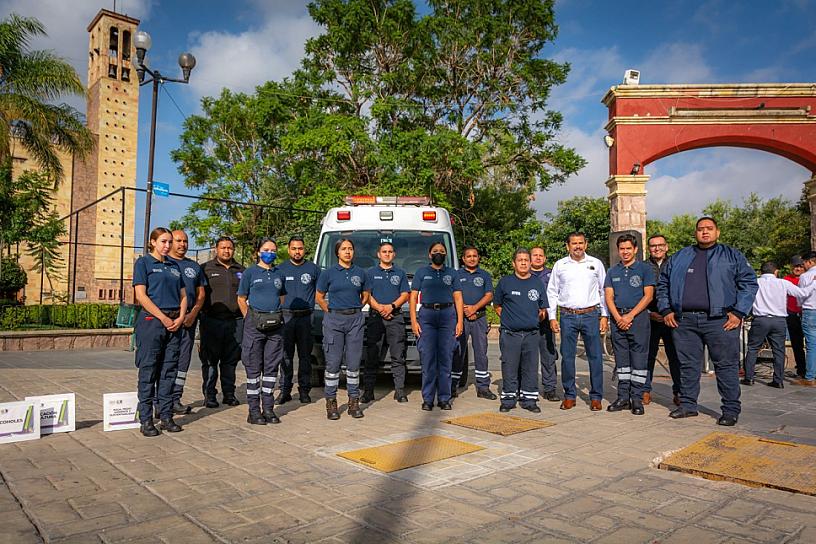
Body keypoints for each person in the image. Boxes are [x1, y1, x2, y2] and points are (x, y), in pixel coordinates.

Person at [657, 217, 758, 426]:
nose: (705, 232)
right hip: (684, 321)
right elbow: (663, 284)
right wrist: (666, 309)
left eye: (709, 229)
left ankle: (730, 410)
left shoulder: (732, 256)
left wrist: (739, 312)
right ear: (695, 233)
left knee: (726, 366)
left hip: (720, 320)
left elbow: (748, 283)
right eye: (701, 229)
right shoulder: (680, 256)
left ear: (717, 232)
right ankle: (687, 405)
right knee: (687, 365)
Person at [132, 227, 187, 437]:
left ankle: (166, 416)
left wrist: (180, 317)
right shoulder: (144, 263)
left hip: (174, 323)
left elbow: (183, 295)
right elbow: (141, 296)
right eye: (163, 241)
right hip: (152, 322)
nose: (168, 245)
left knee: (169, 371)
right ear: (153, 242)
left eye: (169, 242)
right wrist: (163, 317)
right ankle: (146, 419)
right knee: (149, 371)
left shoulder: (174, 266)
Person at [546, 232, 608, 411]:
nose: (578, 246)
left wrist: (604, 315)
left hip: (591, 315)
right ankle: (569, 395)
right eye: (574, 243)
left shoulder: (595, 264)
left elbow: (604, 291)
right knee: (567, 357)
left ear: (586, 245)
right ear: (567, 246)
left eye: (581, 243)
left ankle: (596, 397)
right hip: (568, 316)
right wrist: (552, 317)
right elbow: (552, 292)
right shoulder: (560, 265)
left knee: (595, 357)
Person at [316, 239, 371, 420]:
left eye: (350, 249)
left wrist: (356, 308)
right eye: (343, 249)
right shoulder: (328, 273)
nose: (347, 252)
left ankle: (353, 401)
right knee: (333, 364)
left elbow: (366, 295)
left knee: (354, 364)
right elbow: (320, 296)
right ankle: (331, 402)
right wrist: (331, 312)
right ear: (337, 252)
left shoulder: (361, 273)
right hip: (334, 320)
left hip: (355, 319)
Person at [604, 234, 655, 416]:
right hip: (618, 318)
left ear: (635, 250)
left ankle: (636, 399)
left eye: (628, 248)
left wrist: (630, 316)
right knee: (622, 361)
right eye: (622, 249)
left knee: (639, 360)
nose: (625, 252)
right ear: (618, 250)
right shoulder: (612, 272)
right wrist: (618, 317)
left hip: (638, 318)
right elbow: (608, 296)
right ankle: (623, 397)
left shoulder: (644, 269)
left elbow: (648, 296)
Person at [237, 238, 286, 425]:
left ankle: (268, 408)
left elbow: (281, 297)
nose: (270, 253)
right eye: (266, 249)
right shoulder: (250, 273)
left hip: (275, 326)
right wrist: (251, 317)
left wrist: (271, 314)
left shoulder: (278, 274)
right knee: (253, 368)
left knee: (271, 368)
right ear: (259, 252)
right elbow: (241, 298)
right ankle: (253, 411)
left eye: (273, 250)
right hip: (254, 326)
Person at [410, 242, 464, 411]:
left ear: (446, 254)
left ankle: (444, 398)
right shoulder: (421, 273)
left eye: (441, 251)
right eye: (435, 251)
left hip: (448, 316)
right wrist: (413, 321)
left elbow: (458, 299)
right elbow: (412, 298)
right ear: (429, 255)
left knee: (446, 358)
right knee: (428, 360)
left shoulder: (452, 273)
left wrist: (460, 321)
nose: (438, 253)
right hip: (427, 316)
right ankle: (427, 399)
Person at [494, 248, 547, 413]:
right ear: (513, 263)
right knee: (509, 366)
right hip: (510, 334)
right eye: (520, 260)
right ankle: (509, 399)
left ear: (530, 263)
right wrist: (511, 319)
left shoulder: (537, 282)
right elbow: (497, 306)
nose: (523, 262)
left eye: (526, 260)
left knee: (530, 368)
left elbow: (543, 309)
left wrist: (532, 318)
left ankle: (529, 399)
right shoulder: (505, 282)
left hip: (532, 334)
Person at [164, 230, 207, 415]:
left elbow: (201, 295)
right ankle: (161, 400)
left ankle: (176, 398)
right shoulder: (163, 263)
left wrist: (193, 314)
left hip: (188, 321)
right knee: (165, 361)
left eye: (185, 241)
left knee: (183, 362)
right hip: (167, 320)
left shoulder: (194, 267)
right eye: (178, 240)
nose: (182, 244)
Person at [742, 261, 805, 388]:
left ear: (760, 272)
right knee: (779, 350)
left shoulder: (755, 282)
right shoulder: (783, 282)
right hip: (779, 320)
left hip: (760, 319)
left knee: (753, 348)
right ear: (776, 271)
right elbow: (801, 293)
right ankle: (778, 380)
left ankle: (749, 378)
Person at [200, 237, 245, 408]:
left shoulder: (241, 270)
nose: (226, 251)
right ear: (216, 249)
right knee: (210, 361)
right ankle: (210, 395)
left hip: (234, 322)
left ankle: (229, 394)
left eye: (230, 248)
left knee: (230, 361)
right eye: (223, 248)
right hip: (211, 322)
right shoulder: (205, 269)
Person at [363, 242, 410, 403]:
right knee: (372, 356)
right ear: (378, 254)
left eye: (390, 251)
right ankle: (368, 392)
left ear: (394, 254)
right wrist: (381, 309)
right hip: (376, 318)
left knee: (398, 356)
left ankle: (400, 391)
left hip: (395, 317)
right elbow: (367, 295)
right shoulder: (370, 273)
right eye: (384, 251)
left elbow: (405, 294)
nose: (387, 254)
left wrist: (391, 307)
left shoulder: (401, 273)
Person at [278, 236, 321, 404]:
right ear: (289, 250)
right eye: (294, 248)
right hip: (286, 317)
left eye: (300, 248)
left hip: (306, 318)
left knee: (305, 356)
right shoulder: (280, 269)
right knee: (285, 356)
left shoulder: (313, 269)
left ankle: (304, 391)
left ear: (304, 250)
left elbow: (321, 292)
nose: (297, 251)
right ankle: (285, 390)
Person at [451, 246, 496, 400]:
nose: (472, 258)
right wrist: (463, 310)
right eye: (468, 256)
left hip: (479, 318)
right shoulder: (456, 275)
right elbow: (453, 295)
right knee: (457, 351)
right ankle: (452, 386)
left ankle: (483, 387)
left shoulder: (484, 275)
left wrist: (474, 308)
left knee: (481, 353)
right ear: (463, 259)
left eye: (475, 256)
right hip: (460, 318)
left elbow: (489, 295)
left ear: (478, 258)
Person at [644, 235, 681, 406]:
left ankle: (679, 391)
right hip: (649, 318)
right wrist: (648, 312)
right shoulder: (643, 267)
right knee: (647, 356)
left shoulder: (676, 264)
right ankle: (645, 390)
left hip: (672, 318)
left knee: (675, 356)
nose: (656, 249)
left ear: (666, 247)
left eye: (660, 245)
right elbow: (637, 295)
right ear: (648, 248)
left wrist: (671, 312)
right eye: (653, 246)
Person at [531, 246, 559, 402]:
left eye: (541, 255)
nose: (538, 257)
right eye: (535, 255)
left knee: (548, 356)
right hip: (527, 322)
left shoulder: (551, 274)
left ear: (545, 258)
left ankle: (550, 389)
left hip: (546, 322)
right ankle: (528, 388)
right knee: (528, 357)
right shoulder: (523, 274)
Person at [793, 251, 816, 386]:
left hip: (810, 311)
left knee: (811, 345)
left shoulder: (805, 277)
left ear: (809, 262)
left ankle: (810, 377)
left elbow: (800, 296)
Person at [784, 256, 807, 378]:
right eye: (795, 266)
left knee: (811, 343)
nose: (798, 269)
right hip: (792, 314)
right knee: (796, 344)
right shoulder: (786, 280)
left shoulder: (809, 279)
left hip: (807, 314)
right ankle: (801, 369)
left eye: (800, 266)